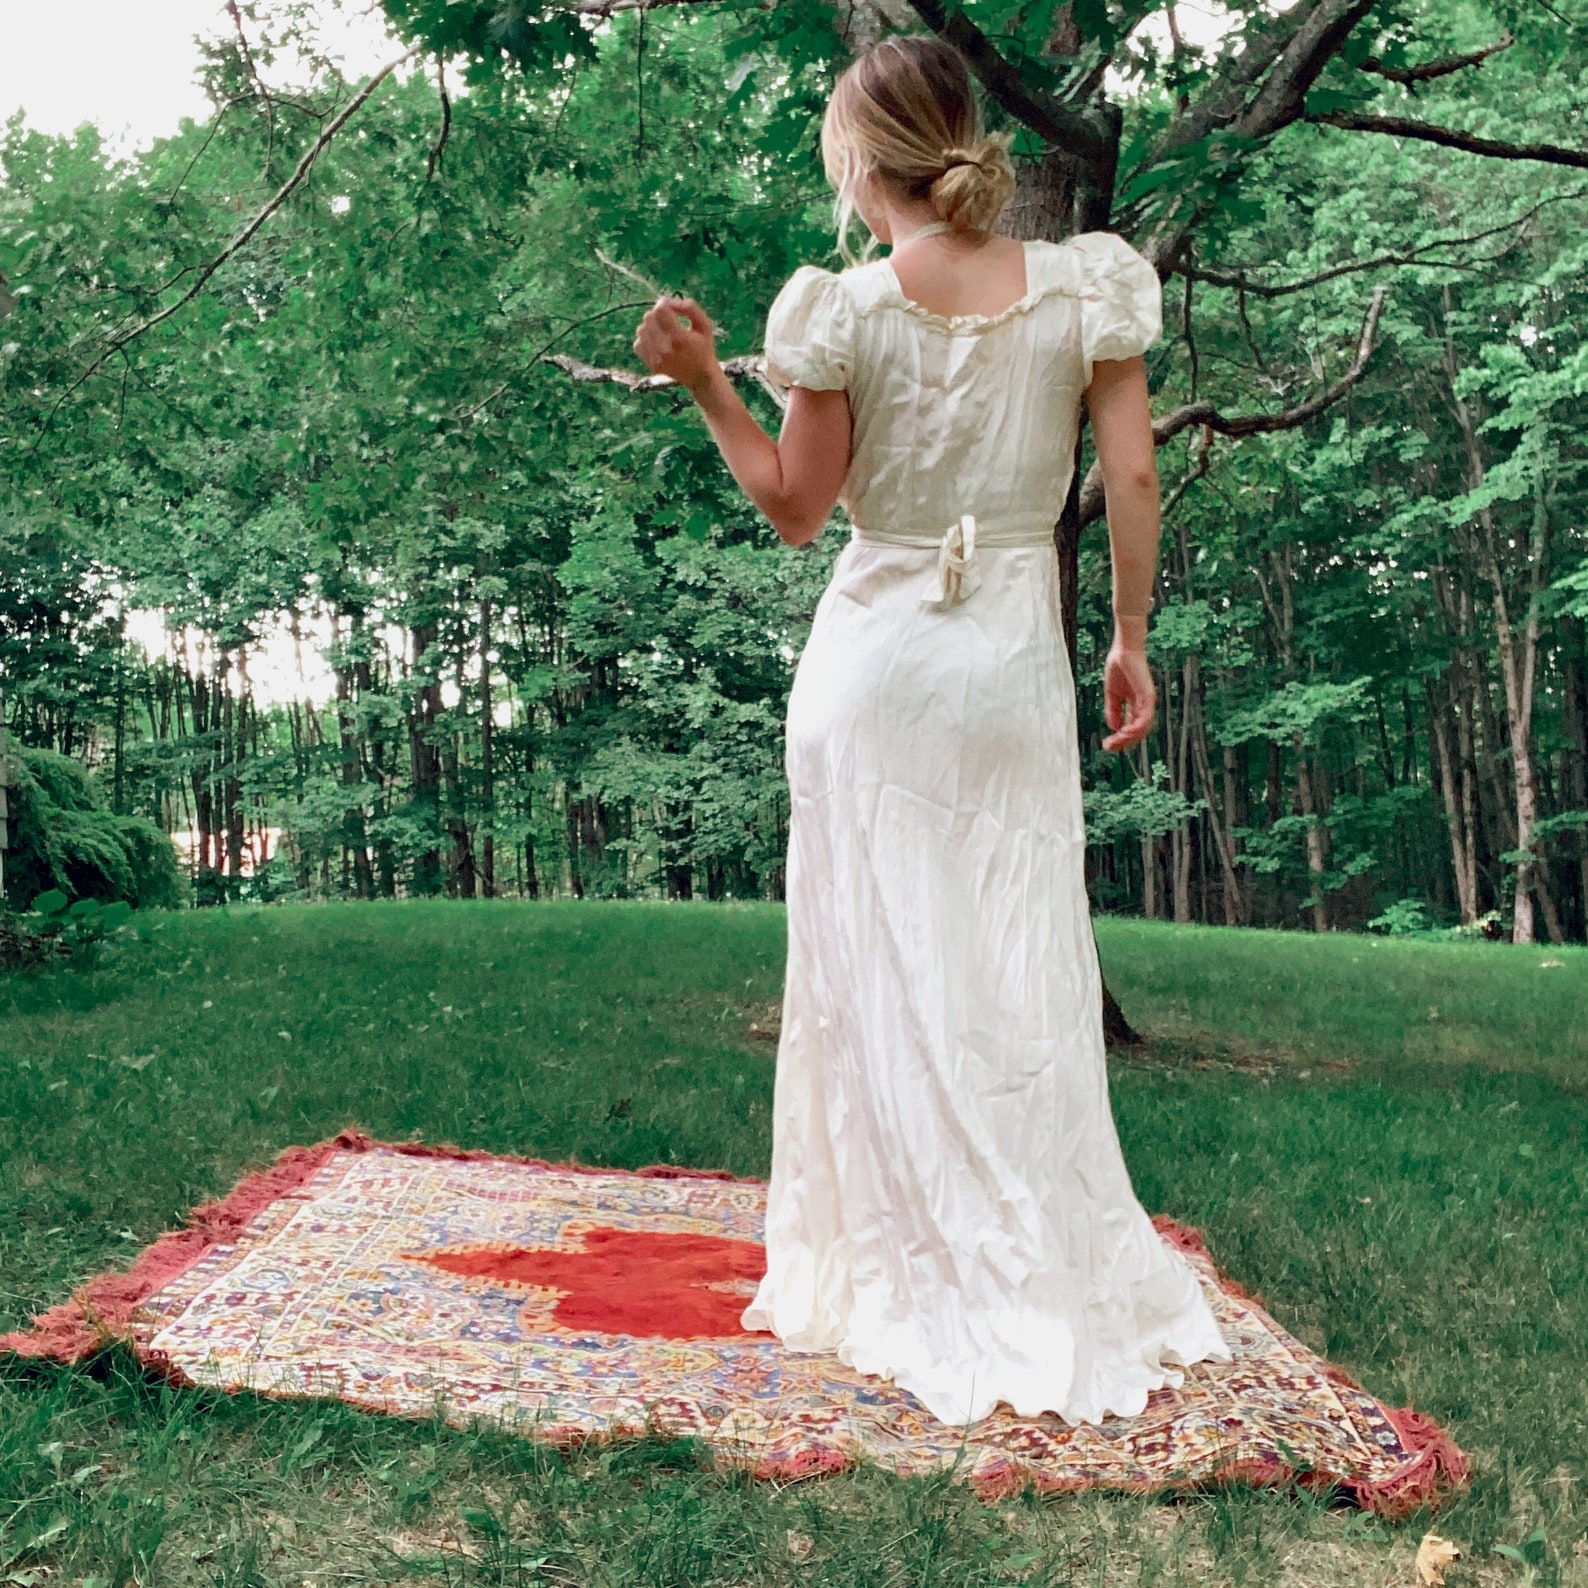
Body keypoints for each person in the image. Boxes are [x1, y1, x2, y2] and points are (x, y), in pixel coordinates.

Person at [632, 34, 1231, 1427]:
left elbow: (792, 505)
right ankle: (1036, 1255)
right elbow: (1132, 471)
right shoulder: (1085, 286)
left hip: (876, 664)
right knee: (1018, 956)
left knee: (879, 968)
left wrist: (706, 383)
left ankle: (903, 1254)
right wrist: (1130, 637)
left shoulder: (842, 311)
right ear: (966, 135)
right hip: (1010, 655)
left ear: (856, 159)